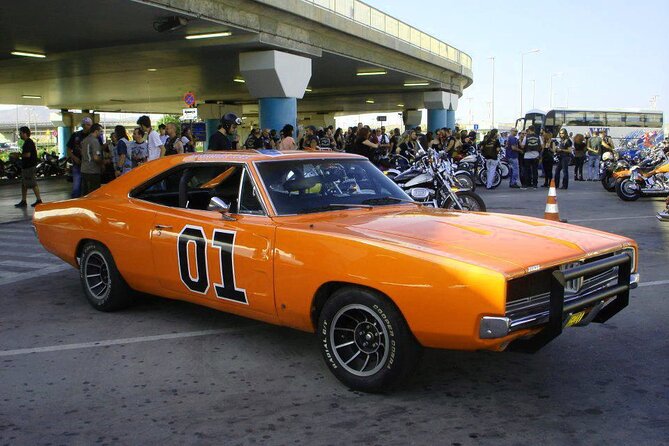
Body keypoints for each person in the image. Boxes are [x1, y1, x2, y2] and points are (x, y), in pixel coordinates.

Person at [14, 126, 42, 208]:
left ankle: (39, 200)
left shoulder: (28, 143)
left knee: (32, 183)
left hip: (29, 167)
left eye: (20, 133)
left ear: (25, 133)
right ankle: (23, 200)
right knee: (24, 184)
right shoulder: (28, 142)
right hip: (26, 166)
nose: (19, 135)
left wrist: (18, 155)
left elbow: (27, 154)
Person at [66, 117, 92, 198]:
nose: (88, 127)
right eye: (86, 125)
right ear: (82, 125)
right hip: (78, 165)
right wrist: (74, 158)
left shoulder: (93, 136)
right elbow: (68, 149)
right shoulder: (75, 135)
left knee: (88, 188)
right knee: (76, 187)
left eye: (89, 125)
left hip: (89, 166)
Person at [80, 124, 104, 195]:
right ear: (96, 131)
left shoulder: (84, 140)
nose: (101, 133)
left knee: (85, 192)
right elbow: (96, 158)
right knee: (94, 194)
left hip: (84, 170)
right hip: (93, 171)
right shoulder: (94, 141)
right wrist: (102, 163)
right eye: (101, 131)